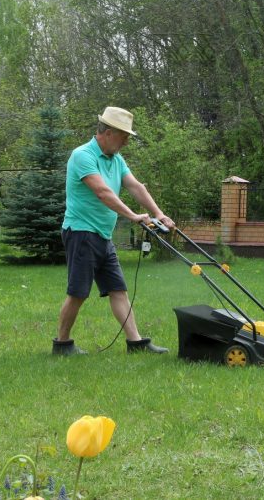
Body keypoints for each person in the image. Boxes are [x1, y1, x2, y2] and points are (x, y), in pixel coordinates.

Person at [53, 106, 176, 356]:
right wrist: (132, 216)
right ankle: (62, 344)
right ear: (108, 133)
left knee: (118, 289)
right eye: (124, 137)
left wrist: (159, 213)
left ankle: (136, 343)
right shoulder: (82, 155)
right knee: (78, 292)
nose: (127, 142)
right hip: (81, 232)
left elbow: (135, 187)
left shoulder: (116, 159)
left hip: (102, 235)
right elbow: (102, 192)